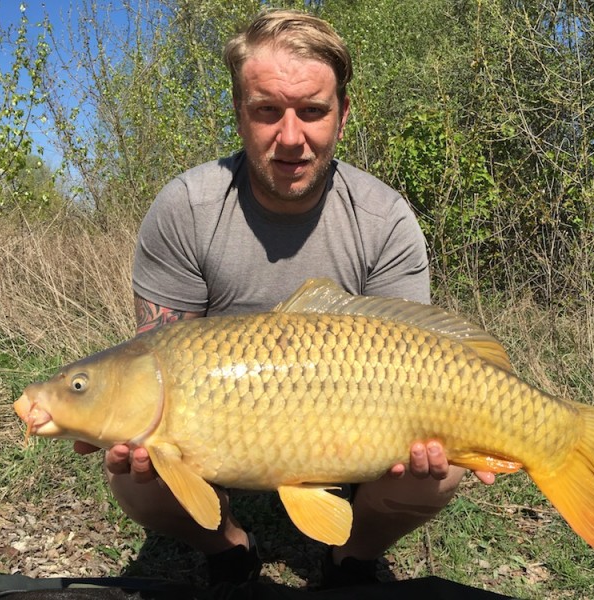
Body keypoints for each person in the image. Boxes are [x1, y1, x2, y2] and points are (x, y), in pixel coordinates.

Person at [75, 8, 493, 588]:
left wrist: (460, 437)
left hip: (364, 428)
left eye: (313, 111)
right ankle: (228, 546)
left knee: (434, 474)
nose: (290, 137)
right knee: (132, 473)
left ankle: (351, 555)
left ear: (343, 117)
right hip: (220, 432)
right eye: (267, 110)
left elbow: (418, 352)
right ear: (240, 114)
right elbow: (159, 354)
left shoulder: (384, 219)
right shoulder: (186, 210)